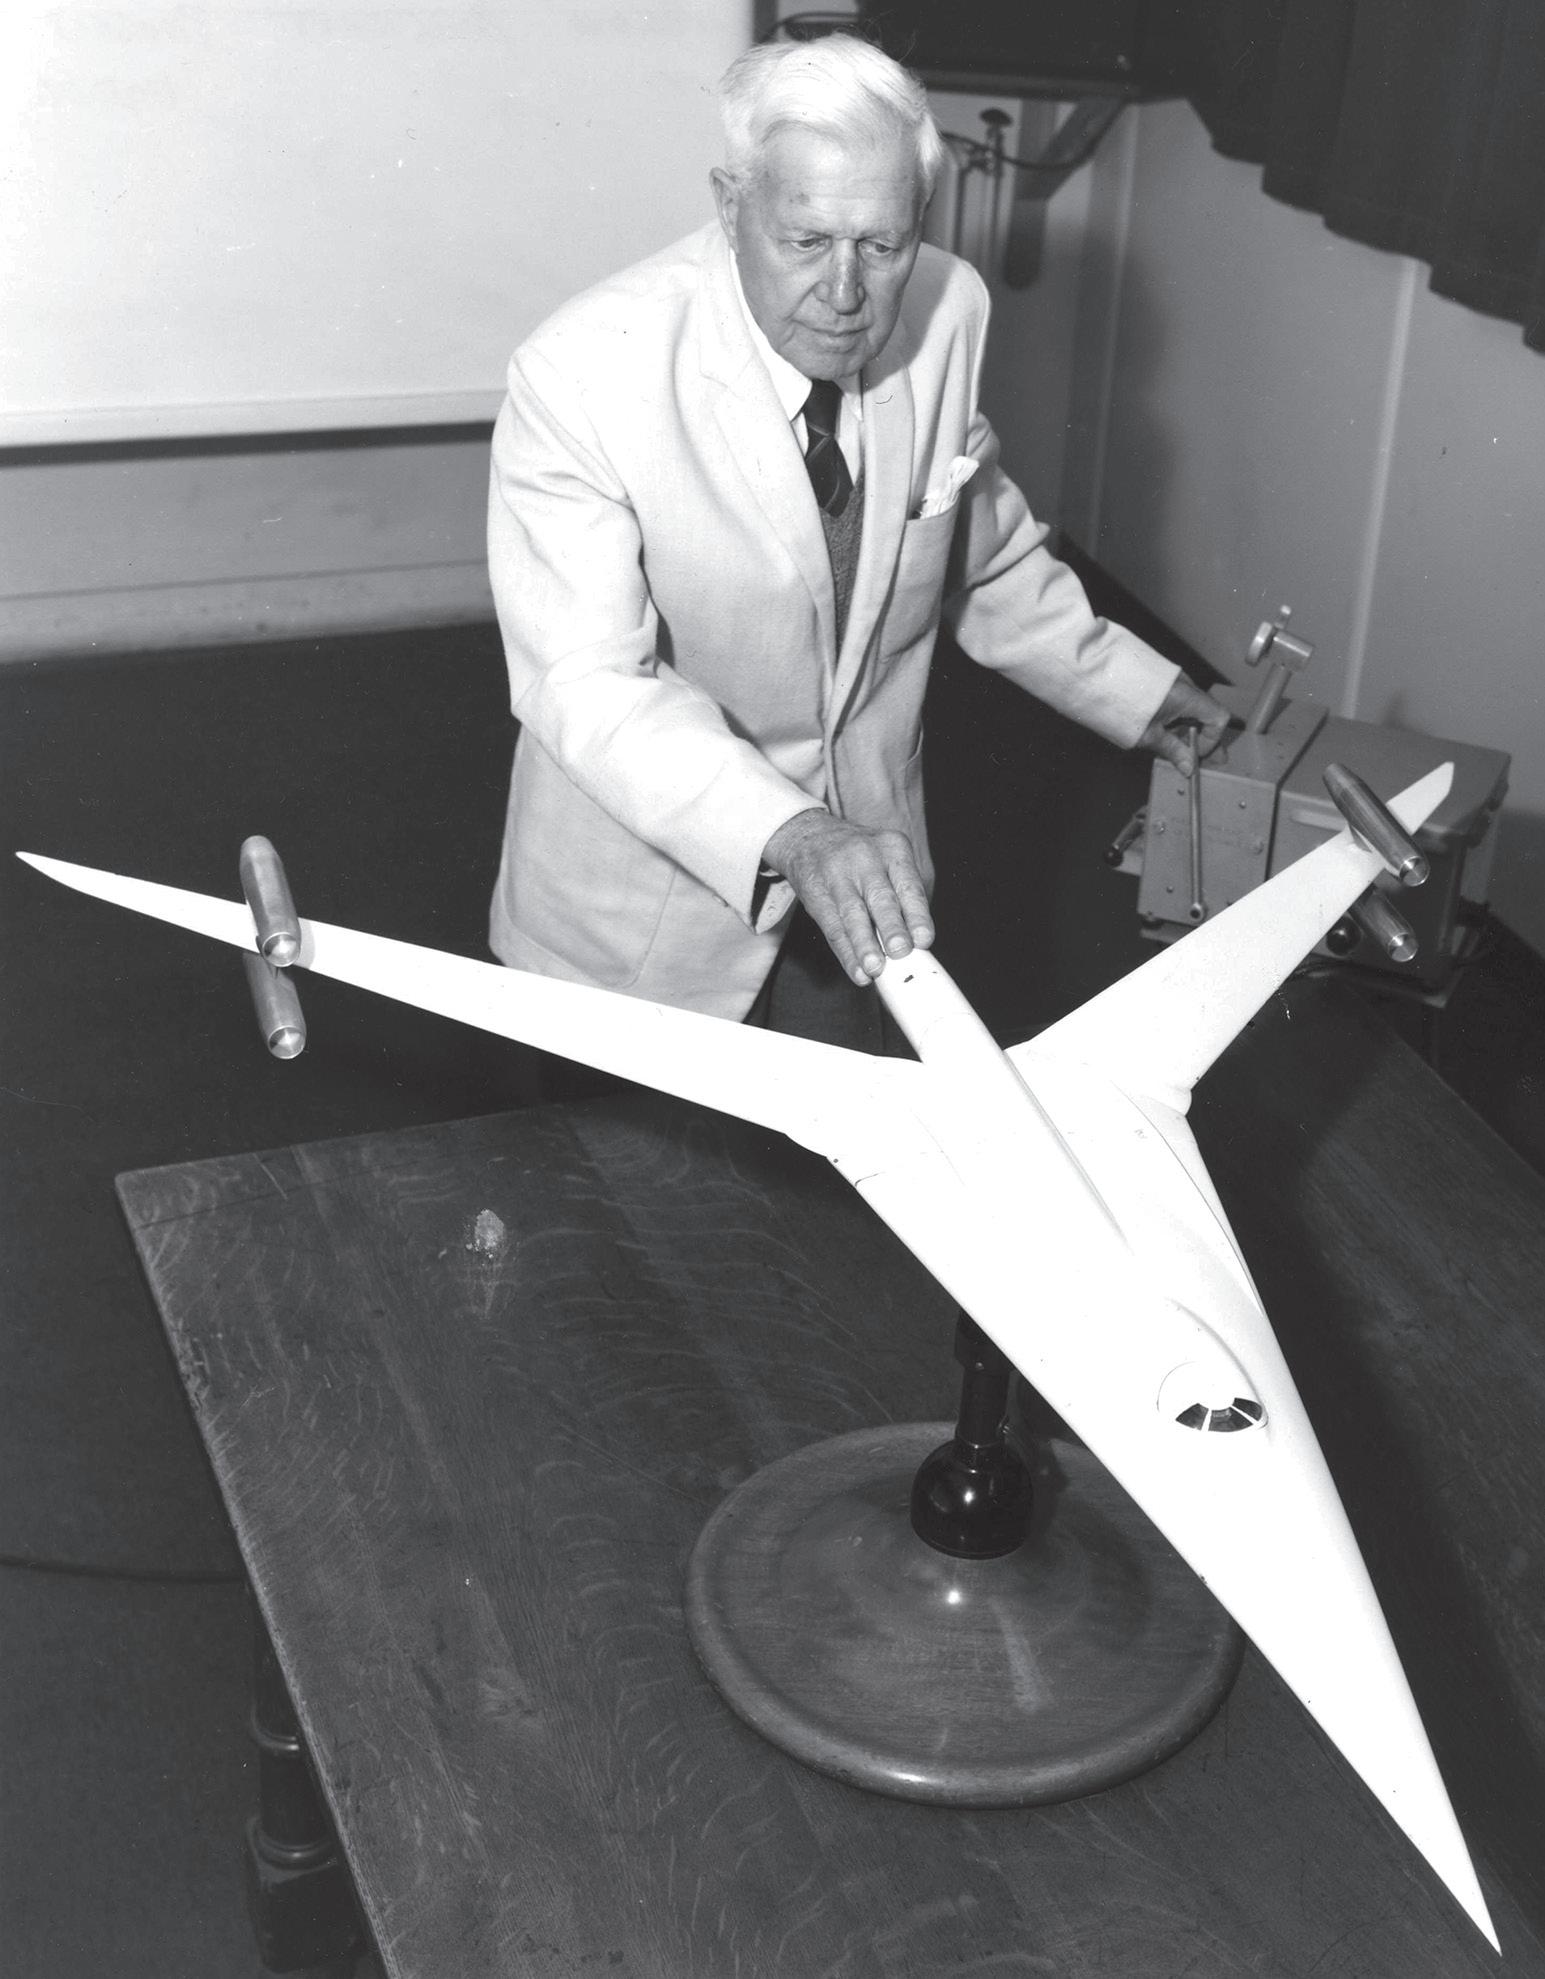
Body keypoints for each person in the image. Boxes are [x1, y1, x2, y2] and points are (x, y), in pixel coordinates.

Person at [486, 33, 1227, 1042]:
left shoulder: (948, 310)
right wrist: (790, 829)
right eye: (805, 241)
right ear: (731, 206)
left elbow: (981, 556)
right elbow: (587, 685)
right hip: (647, 920)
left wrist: (1148, 696)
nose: (845, 293)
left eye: (881, 246)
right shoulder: (582, 373)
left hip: (867, 887)